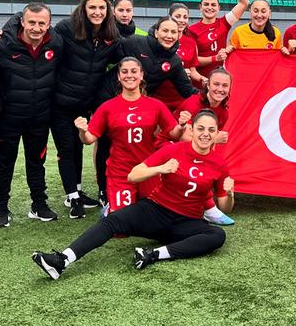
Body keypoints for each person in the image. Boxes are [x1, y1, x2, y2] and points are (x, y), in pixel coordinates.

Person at [32, 109, 233, 279]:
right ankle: (62, 260)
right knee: (112, 221)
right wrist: (160, 169)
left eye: (211, 130)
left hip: (185, 222)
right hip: (156, 211)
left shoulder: (219, 164)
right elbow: (133, 175)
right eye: (200, 128)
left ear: (217, 134)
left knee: (217, 235)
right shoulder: (174, 150)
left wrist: (230, 194)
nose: (205, 134)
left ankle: (153, 254)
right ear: (192, 129)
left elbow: (224, 207)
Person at [93, 17, 198, 207]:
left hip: (137, 101)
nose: (169, 35)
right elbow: (106, 55)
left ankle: (141, 184)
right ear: (156, 32)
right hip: (108, 97)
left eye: (173, 32)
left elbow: (187, 91)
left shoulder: (174, 61)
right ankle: (104, 190)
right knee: (108, 143)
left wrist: (211, 96)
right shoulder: (135, 42)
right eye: (165, 31)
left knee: (138, 143)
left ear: (178, 35)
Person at [75, 57, 186, 214]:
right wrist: (82, 131)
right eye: (124, 72)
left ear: (141, 75)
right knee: (122, 225)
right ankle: (111, 208)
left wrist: (181, 126)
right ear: (119, 77)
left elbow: (174, 134)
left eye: (134, 71)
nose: (129, 75)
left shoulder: (156, 105)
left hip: (148, 169)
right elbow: (89, 139)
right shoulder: (108, 107)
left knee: (154, 219)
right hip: (121, 172)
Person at [0, 3, 64, 227]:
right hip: (8, 118)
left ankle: (39, 205)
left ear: (49, 24)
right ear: (22, 21)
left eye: (42, 23)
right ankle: (1, 209)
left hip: (40, 117)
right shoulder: (2, 43)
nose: (36, 27)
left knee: (37, 162)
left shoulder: (57, 44)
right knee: (4, 164)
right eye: (31, 22)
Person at [51, 0, 120, 218]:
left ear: (108, 10)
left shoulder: (111, 34)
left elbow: (129, 49)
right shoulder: (65, 28)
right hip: (60, 102)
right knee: (66, 149)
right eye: (92, 7)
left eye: (102, 8)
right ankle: (73, 198)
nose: (97, 12)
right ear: (84, 8)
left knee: (79, 146)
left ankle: (78, 191)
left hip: (86, 104)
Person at [158, 68, 233, 226]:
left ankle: (206, 206)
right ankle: (209, 208)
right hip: (169, 144)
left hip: (192, 147)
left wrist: (209, 156)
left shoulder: (223, 112)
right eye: (216, 84)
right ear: (208, 84)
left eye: (225, 85)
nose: (220, 89)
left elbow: (206, 147)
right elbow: (184, 137)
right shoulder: (193, 103)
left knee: (206, 166)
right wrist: (214, 140)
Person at [188, 0, 249, 76]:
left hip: (220, 77)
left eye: (213, 5)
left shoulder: (223, 23)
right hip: (201, 79)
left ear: (218, 8)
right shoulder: (192, 30)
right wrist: (215, 58)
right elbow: (193, 60)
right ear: (200, 7)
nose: (209, 7)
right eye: (206, 4)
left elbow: (244, 2)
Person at [151, 3, 203, 110]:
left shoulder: (191, 42)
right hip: (158, 97)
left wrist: (205, 80)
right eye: (177, 16)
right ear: (170, 17)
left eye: (185, 17)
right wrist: (178, 70)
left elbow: (193, 71)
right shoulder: (158, 41)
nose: (182, 20)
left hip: (182, 98)